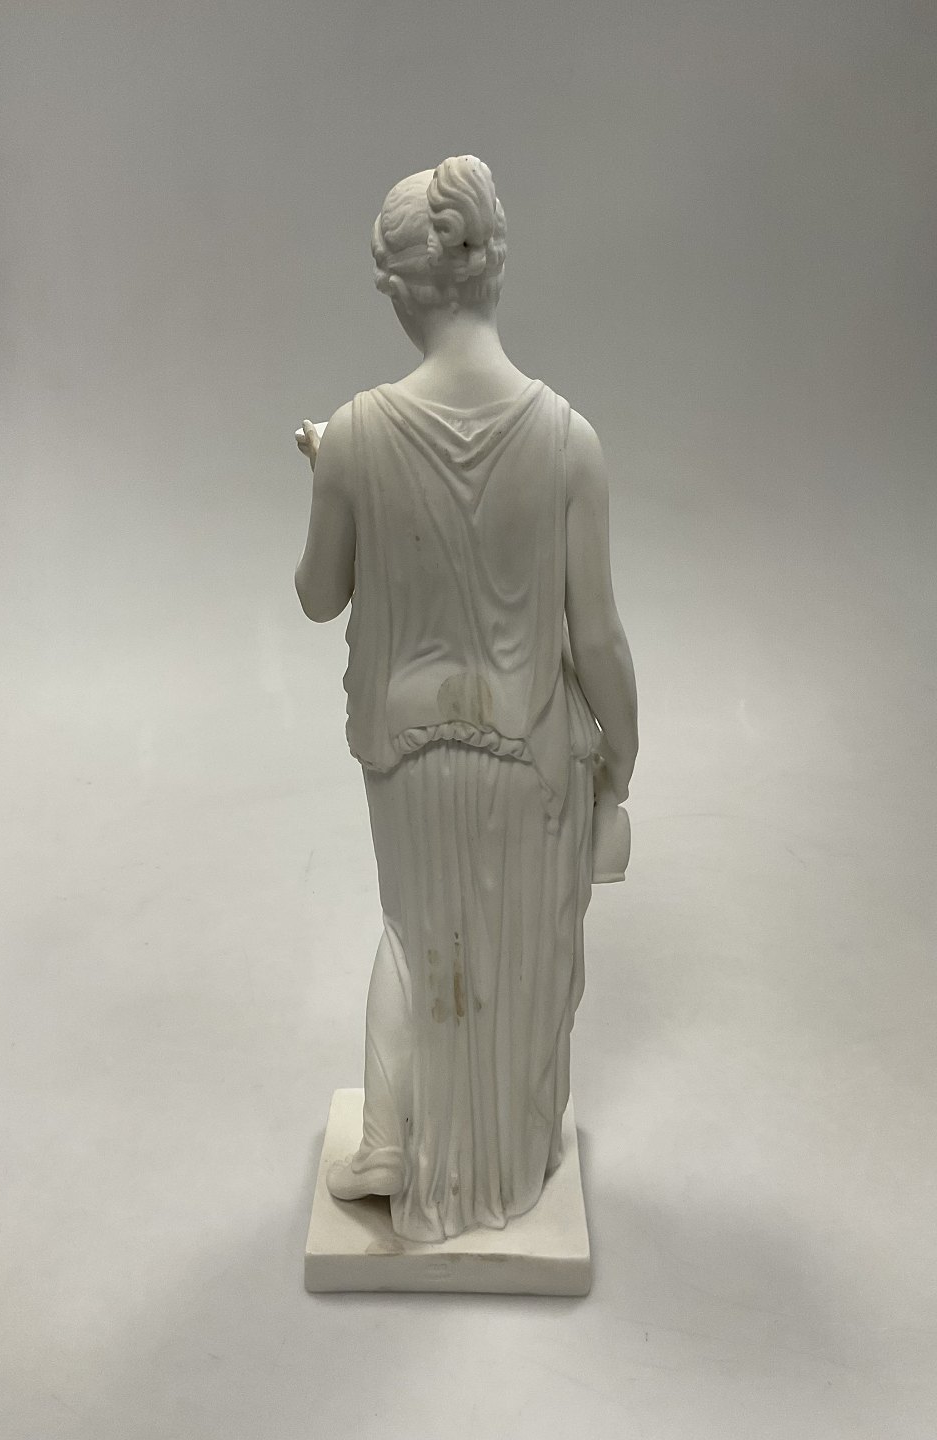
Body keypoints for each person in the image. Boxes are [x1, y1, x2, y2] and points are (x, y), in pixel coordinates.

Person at [295, 156, 637, 1243]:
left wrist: (329, 475)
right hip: (532, 751)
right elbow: (599, 636)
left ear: (404, 289)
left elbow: (318, 596)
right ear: (494, 269)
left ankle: (393, 1145)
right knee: (516, 967)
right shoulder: (570, 440)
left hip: (407, 749)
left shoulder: (354, 433)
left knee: (412, 937)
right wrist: (622, 757)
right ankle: (505, 1165)